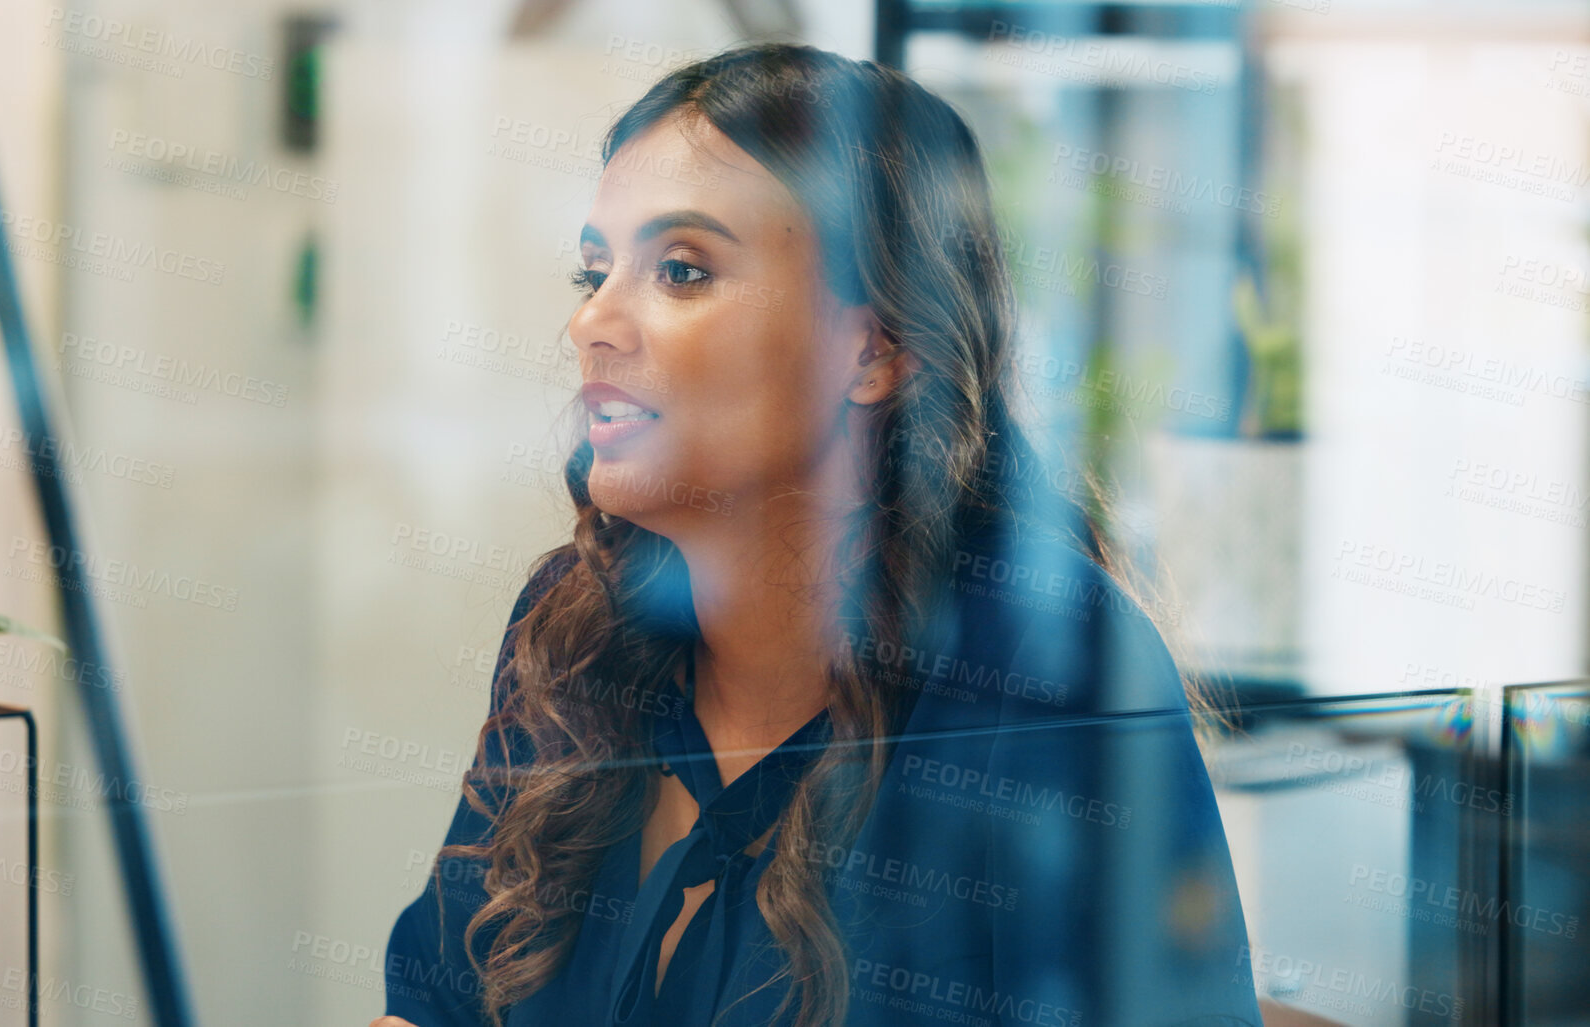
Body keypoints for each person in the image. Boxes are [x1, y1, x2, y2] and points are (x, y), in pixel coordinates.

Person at [376, 42, 1263, 1027]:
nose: (594, 320)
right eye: (594, 270)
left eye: (679, 268)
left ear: (876, 349)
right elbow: (433, 1006)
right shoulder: (572, 620)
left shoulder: (1047, 662)